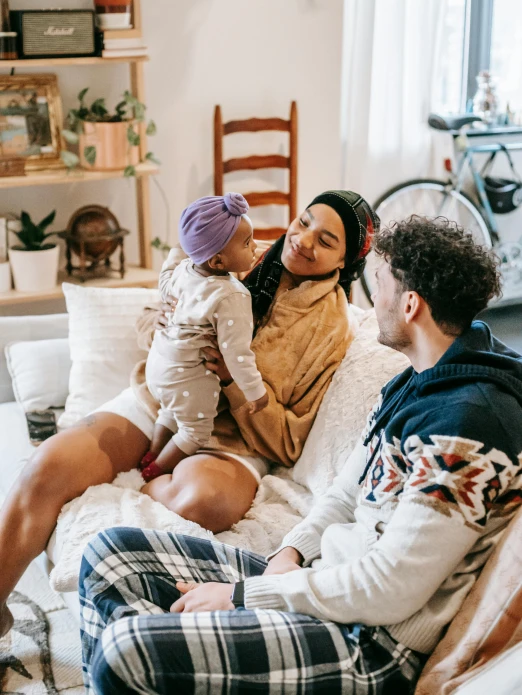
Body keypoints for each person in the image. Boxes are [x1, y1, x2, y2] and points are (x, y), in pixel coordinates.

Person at [79, 216, 522, 695]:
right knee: (108, 554)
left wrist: (244, 596)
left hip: (371, 642)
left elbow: (391, 588)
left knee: (128, 650)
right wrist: (289, 553)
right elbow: (342, 496)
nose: (373, 300)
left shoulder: (468, 427)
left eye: (381, 286)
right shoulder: (413, 382)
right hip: (320, 583)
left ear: (411, 305)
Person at [0, 190, 378, 638]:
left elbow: (289, 442)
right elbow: (151, 325)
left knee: (203, 501)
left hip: (233, 440)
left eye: (327, 240)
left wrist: (234, 384)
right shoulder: (234, 252)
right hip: (160, 401)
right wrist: (159, 318)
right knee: (47, 468)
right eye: (304, 221)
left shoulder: (331, 327)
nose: (303, 239)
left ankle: (138, 478)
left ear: (345, 261)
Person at [140, 192, 268, 482]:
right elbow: (237, 353)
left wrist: (182, 246)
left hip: (159, 368)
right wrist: (255, 392)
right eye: (247, 243)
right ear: (218, 261)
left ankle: (151, 453)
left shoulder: (185, 270)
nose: (255, 247)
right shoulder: (232, 295)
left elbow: (165, 277)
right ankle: (154, 470)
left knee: (170, 411)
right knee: (195, 431)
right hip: (187, 376)